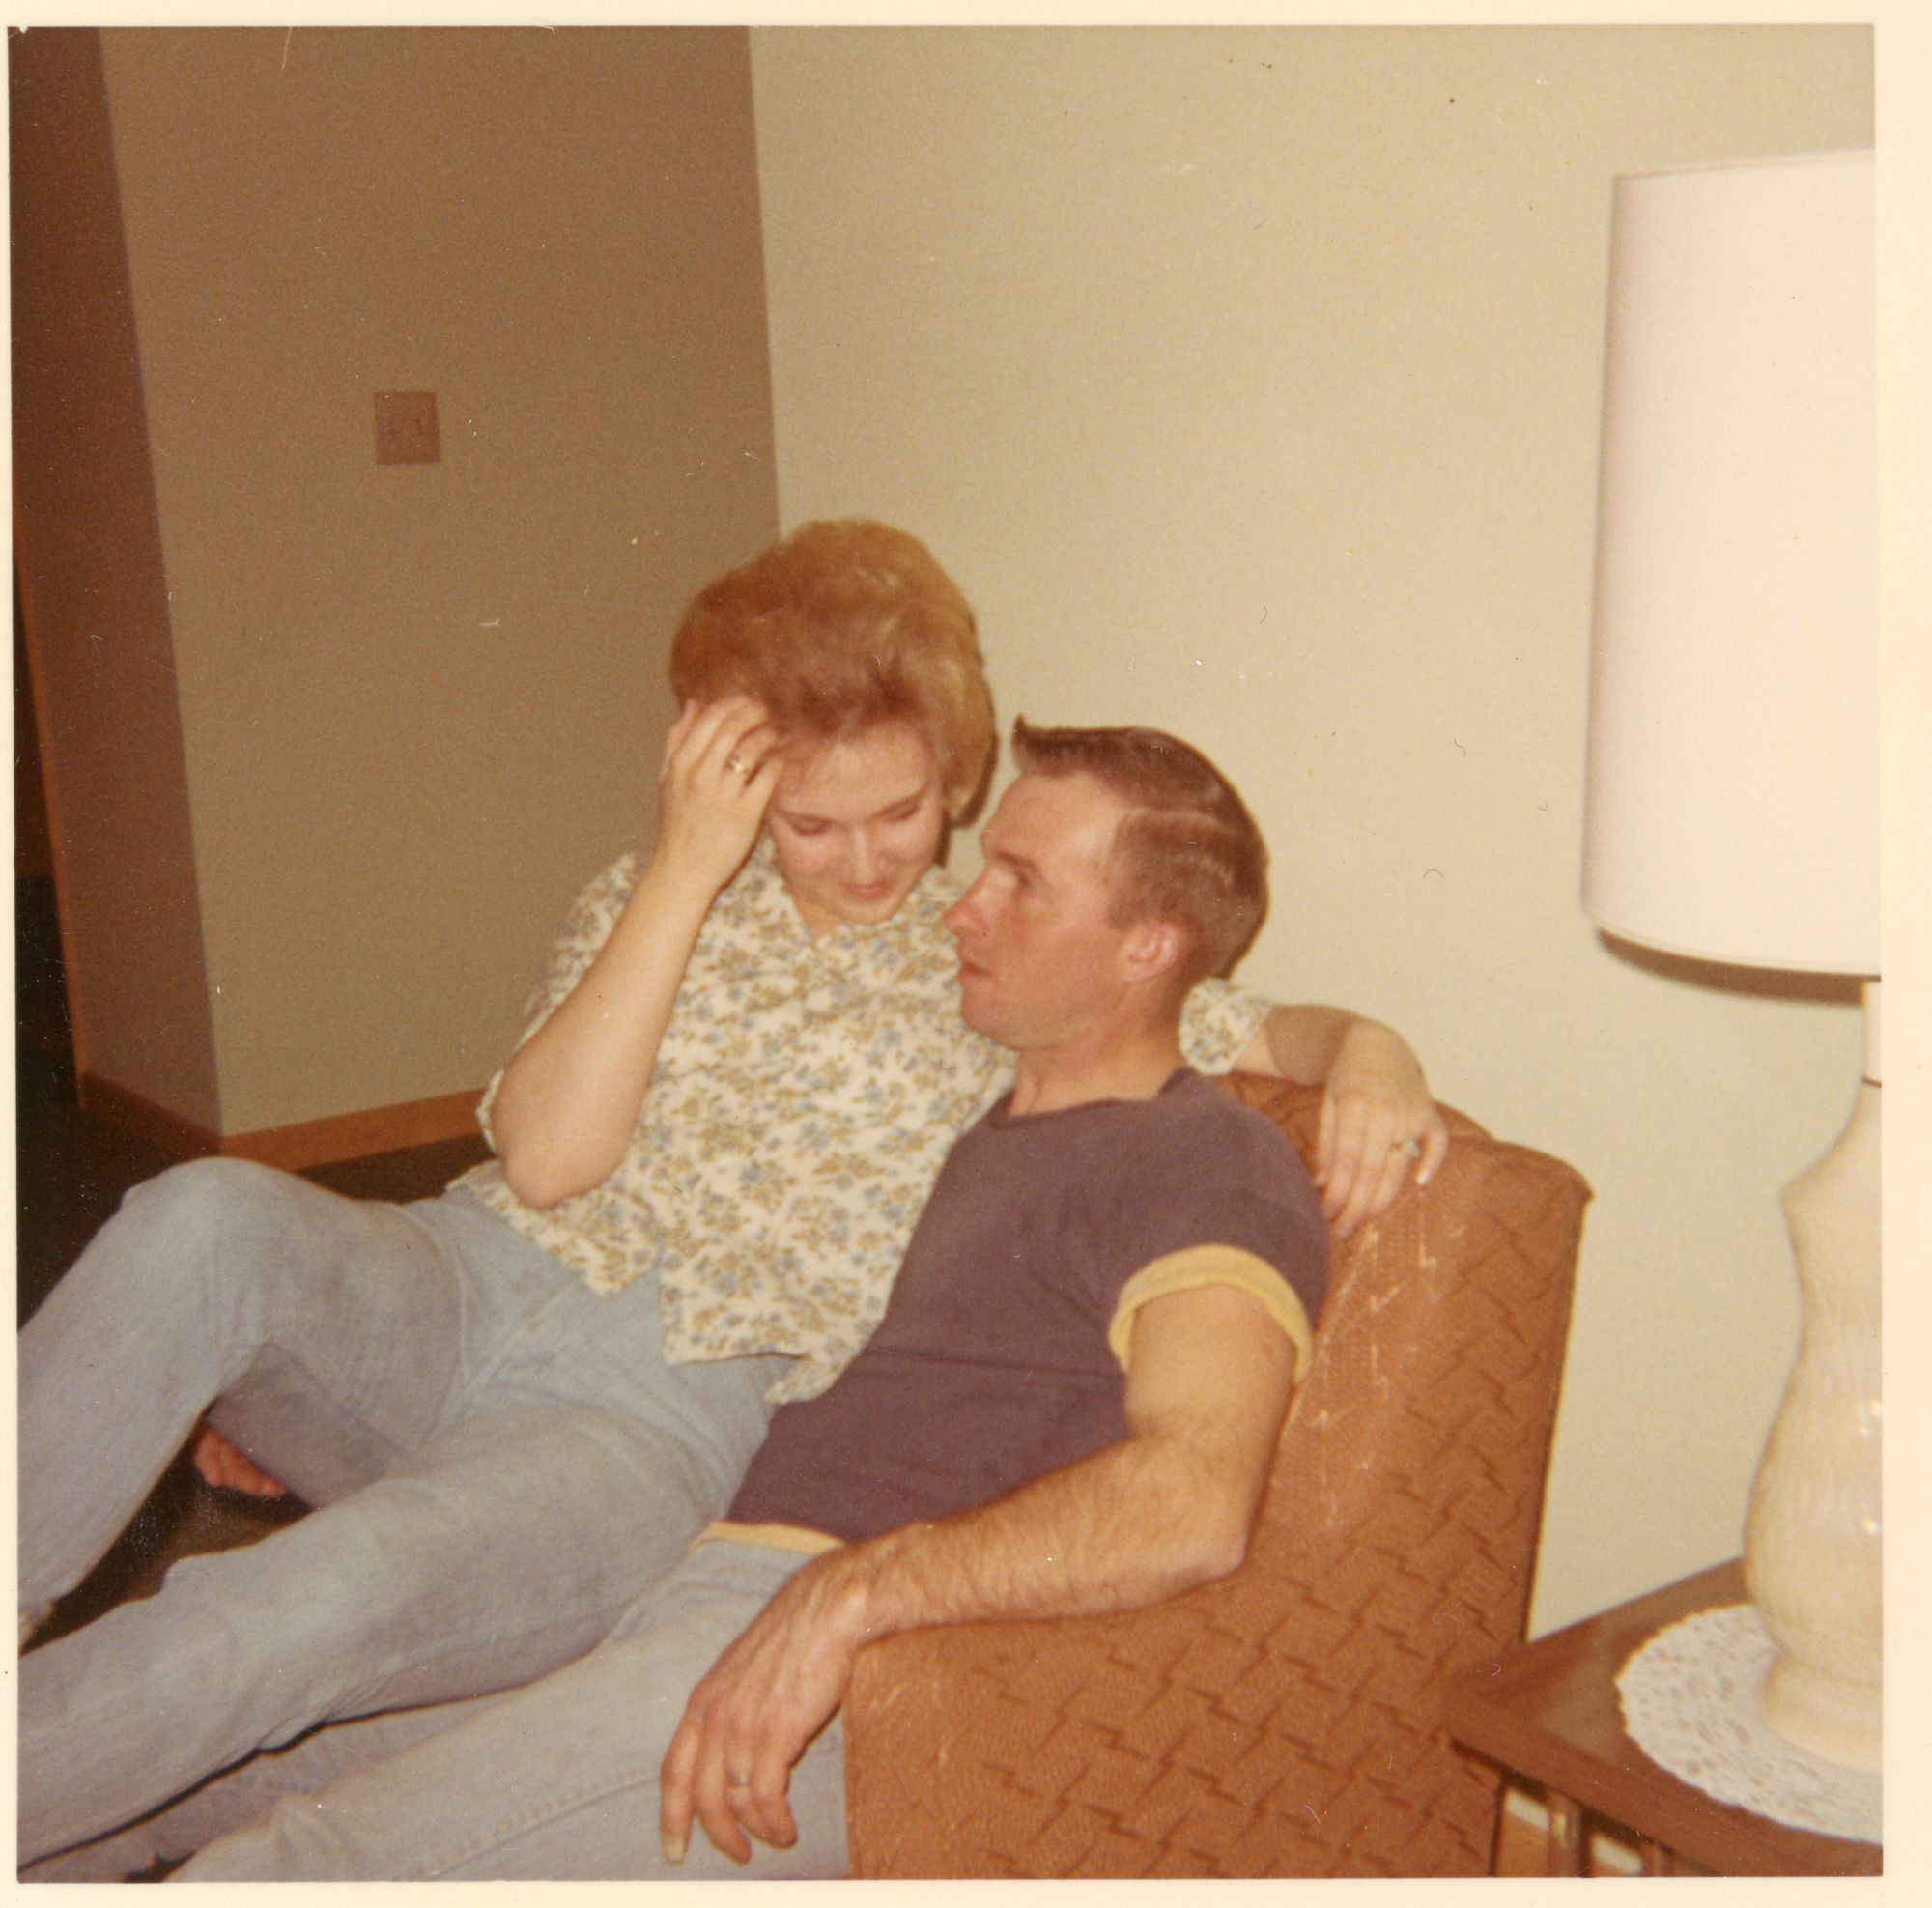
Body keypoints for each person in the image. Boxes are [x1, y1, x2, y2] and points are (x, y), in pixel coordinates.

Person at [15, 524, 1441, 1873]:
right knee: (205, 1217)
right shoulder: (651, 898)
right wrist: (686, 872)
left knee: (284, 1612)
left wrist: (1377, 1049)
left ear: (954, 780)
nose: (870, 862)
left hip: (658, 1408)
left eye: (903, 813)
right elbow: (547, 1165)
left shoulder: (989, 963)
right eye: (811, 823)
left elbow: (1242, 1014)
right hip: (466, 1276)